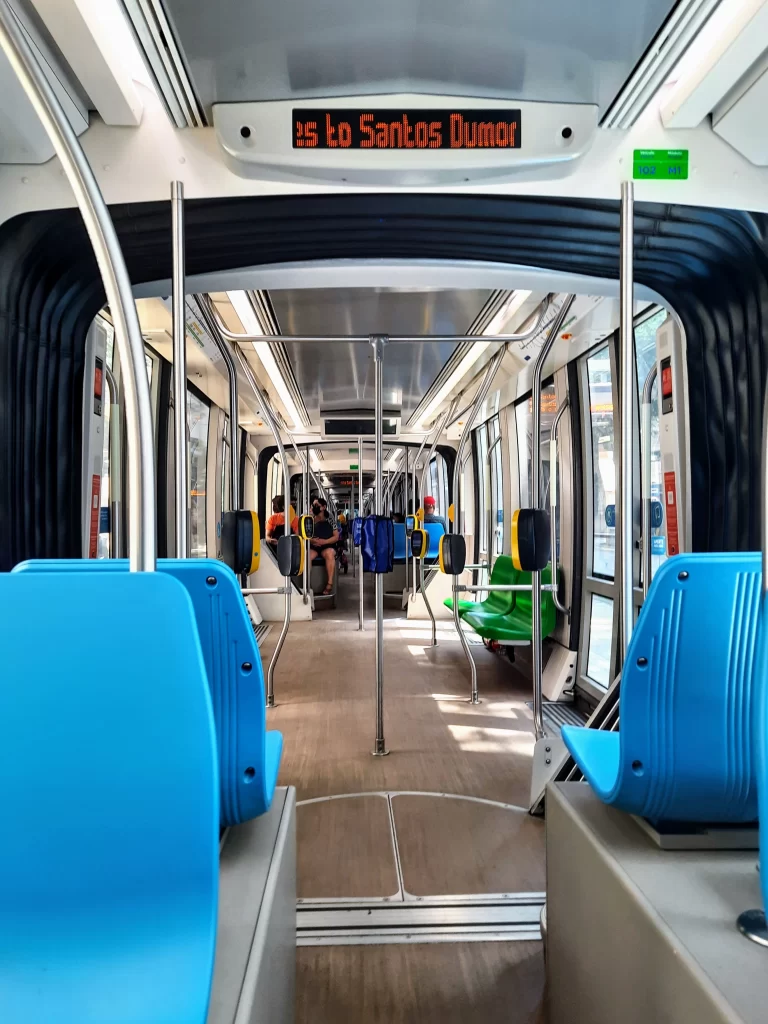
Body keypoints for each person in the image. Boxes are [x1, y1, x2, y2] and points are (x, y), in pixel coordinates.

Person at [311, 505, 339, 595]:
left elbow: (336, 537)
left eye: (317, 505)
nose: (314, 507)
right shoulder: (310, 520)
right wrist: (312, 540)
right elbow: (304, 535)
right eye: (313, 505)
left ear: (323, 507)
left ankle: (329, 584)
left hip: (327, 546)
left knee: (330, 553)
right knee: (306, 555)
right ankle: (307, 585)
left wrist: (324, 542)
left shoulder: (330, 520)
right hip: (314, 547)